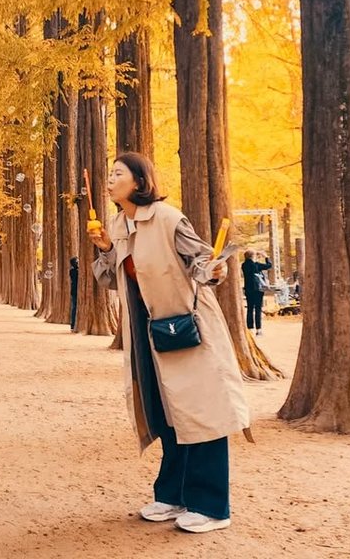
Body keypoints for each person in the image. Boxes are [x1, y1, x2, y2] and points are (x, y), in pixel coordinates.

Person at [90, 152, 250, 535]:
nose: (109, 180)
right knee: (164, 413)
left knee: (202, 413)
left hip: (185, 329)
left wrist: (214, 269)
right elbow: (111, 280)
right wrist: (105, 249)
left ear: (140, 182)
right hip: (146, 333)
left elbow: (200, 262)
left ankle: (212, 506)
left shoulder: (168, 218)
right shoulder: (117, 223)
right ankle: (173, 494)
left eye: (118, 174)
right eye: (109, 174)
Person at [241, 250, 271, 336]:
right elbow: (269, 265)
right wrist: (266, 257)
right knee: (258, 309)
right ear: (253, 256)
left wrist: (256, 256)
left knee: (250, 308)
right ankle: (259, 329)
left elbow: (252, 265)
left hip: (248, 289)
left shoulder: (244, 265)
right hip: (258, 290)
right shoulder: (256, 265)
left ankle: (249, 328)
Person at [69, 256, 79, 331]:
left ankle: (73, 324)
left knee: (74, 307)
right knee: (74, 308)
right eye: (77, 262)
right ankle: (73, 324)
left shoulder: (73, 270)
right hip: (75, 291)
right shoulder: (73, 271)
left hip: (74, 291)